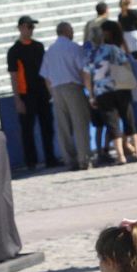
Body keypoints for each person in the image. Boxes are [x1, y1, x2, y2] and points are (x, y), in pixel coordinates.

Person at [87, 21, 137, 165]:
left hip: (102, 92)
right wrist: (131, 80)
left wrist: (92, 94)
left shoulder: (90, 55)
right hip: (120, 88)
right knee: (128, 119)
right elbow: (125, 63)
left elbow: (87, 75)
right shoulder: (113, 49)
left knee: (112, 124)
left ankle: (120, 155)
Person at [6, 15, 58, 170]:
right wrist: (17, 100)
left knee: (47, 126)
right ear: (20, 28)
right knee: (27, 129)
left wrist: (50, 91)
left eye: (32, 27)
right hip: (25, 94)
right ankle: (31, 162)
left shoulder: (38, 46)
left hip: (42, 92)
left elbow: (46, 71)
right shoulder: (14, 51)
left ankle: (50, 158)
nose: (31, 30)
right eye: (28, 26)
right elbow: (14, 76)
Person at [40, 21, 92, 170]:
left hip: (56, 90)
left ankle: (69, 160)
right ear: (67, 32)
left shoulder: (50, 51)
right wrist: (90, 91)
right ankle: (84, 159)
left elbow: (46, 76)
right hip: (73, 88)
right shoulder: (74, 47)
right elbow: (84, 70)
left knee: (63, 128)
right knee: (80, 125)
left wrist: (52, 94)